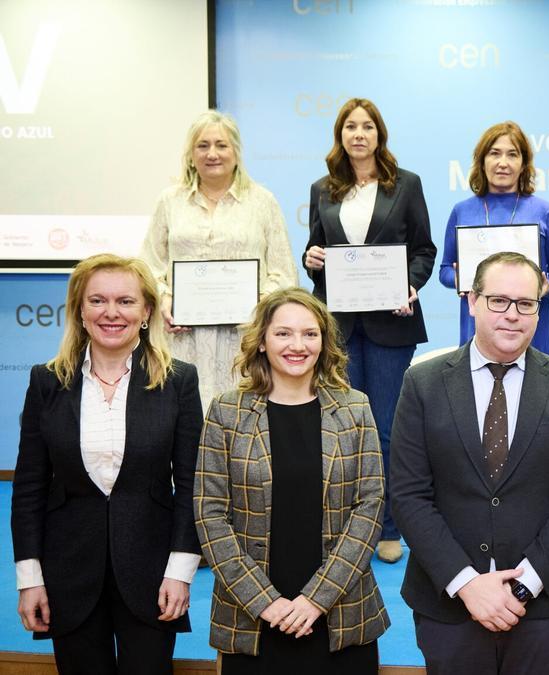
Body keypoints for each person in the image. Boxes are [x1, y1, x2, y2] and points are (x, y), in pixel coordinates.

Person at [390, 252, 549, 675]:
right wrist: (466, 584)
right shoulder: (422, 382)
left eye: (526, 304)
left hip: (543, 608)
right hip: (447, 603)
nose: (513, 315)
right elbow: (409, 495)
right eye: (498, 301)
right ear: (472, 301)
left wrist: (524, 586)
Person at [12, 253, 202, 674]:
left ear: (147, 310)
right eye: (98, 301)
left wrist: (181, 572)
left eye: (126, 301)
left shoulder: (180, 381)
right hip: (69, 574)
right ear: (80, 310)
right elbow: (28, 490)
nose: (111, 313)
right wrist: (30, 579)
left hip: (153, 578)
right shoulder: (47, 382)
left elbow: (191, 486)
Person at [194, 288, 389, 673]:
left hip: (340, 613)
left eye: (310, 333)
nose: (297, 345)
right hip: (254, 618)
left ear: (324, 341)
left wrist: (316, 599)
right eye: (283, 333)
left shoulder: (354, 407)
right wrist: (265, 601)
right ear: (262, 342)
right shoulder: (227, 411)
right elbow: (210, 514)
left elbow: (369, 508)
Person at [302, 97, 437, 563]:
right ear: (340, 135)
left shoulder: (406, 185)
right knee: (340, 429)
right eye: (350, 127)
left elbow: (424, 250)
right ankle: (343, 526)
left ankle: (388, 525)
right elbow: (315, 252)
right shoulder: (323, 188)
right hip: (337, 325)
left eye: (367, 127)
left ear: (380, 134)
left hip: (391, 324)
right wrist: (310, 258)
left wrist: (412, 286)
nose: (359, 134)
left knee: (386, 429)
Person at [142, 110, 298, 408]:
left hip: (244, 341)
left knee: (242, 421)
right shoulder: (169, 201)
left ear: (236, 153)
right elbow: (148, 266)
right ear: (190, 155)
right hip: (182, 341)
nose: (212, 153)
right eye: (203, 146)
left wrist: (257, 306)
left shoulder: (263, 202)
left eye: (221, 145)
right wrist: (163, 299)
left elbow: (283, 273)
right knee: (184, 422)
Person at [438, 121, 549, 355]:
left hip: (531, 331)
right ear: (482, 160)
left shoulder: (544, 211)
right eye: (494, 153)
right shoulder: (462, 210)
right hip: (476, 328)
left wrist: (548, 285)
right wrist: (460, 279)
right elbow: (445, 270)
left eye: (512, 154)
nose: (503, 163)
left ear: (523, 164)